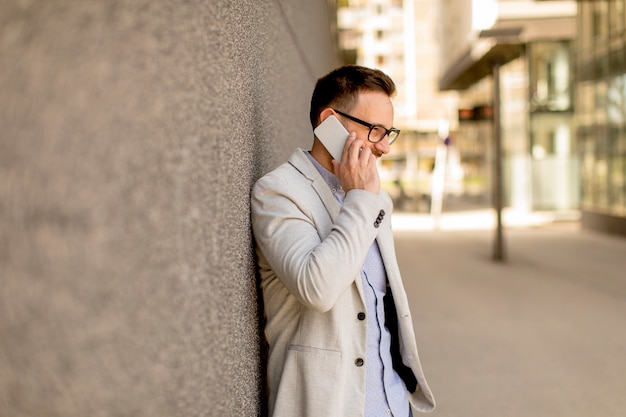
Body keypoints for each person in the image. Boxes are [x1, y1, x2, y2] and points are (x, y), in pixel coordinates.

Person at [251, 65, 435, 417]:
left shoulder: (373, 197)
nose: (384, 147)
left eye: (388, 132)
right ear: (329, 122)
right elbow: (318, 288)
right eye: (375, 131)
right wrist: (361, 200)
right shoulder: (278, 192)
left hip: (395, 405)